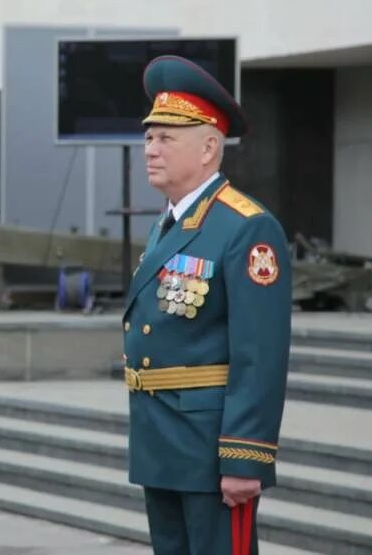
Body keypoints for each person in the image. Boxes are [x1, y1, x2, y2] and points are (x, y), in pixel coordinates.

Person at [123, 55, 292, 555]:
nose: (150, 149)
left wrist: (245, 457)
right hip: (163, 438)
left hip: (211, 446)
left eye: (166, 138)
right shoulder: (169, 224)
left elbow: (260, 353)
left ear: (209, 148)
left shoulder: (245, 227)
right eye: (149, 137)